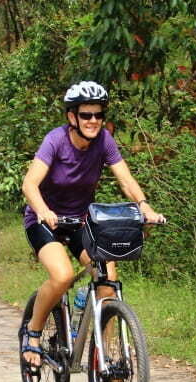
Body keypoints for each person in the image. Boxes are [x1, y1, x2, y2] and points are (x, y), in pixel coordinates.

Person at [20, 81, 165, 366]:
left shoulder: (104, 141)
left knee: (107, 281)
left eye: (98, 115)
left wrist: (143, 205)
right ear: (72, 117)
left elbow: (125, 179)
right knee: (61, 276)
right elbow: (30, 184)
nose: (93, 121)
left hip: (81, 221)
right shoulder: (55, 140)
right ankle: (33, 332)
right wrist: (44, 210)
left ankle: (106, 355)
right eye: (86, 115)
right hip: (44, 221)